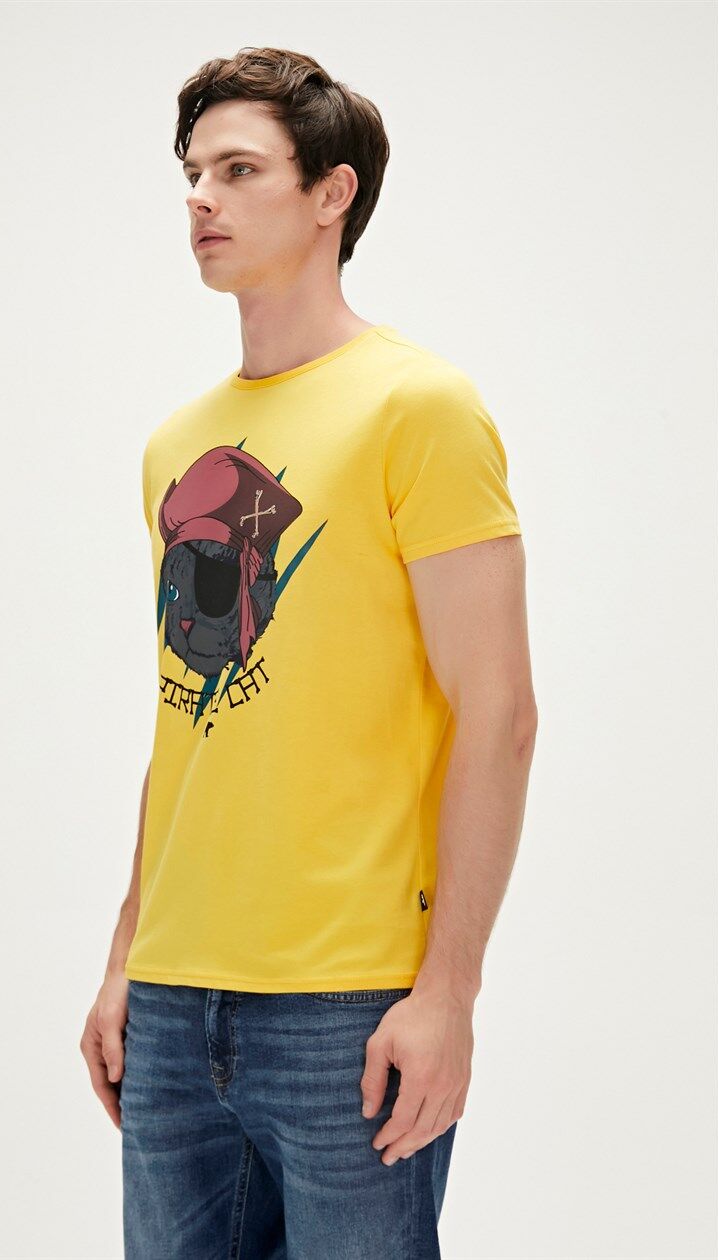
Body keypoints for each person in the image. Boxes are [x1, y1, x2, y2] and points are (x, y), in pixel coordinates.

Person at [80, 45, 537, 1260]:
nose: (202, 200)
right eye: (192, 174)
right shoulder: (177, 444)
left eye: (239, 171)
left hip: (349, 1003)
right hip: (173, 999)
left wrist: (449, 992)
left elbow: (499, 715)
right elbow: (190, 719)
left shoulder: (418, 408)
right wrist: (127, 957)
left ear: (333, 193)